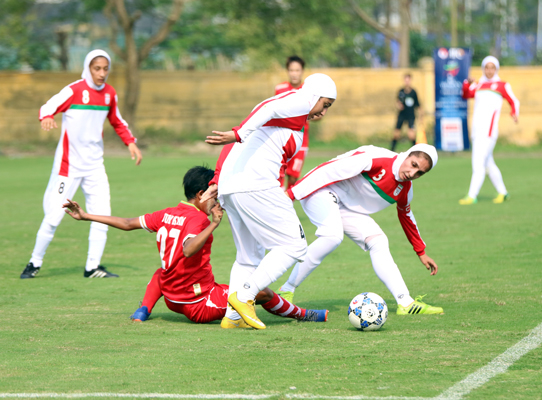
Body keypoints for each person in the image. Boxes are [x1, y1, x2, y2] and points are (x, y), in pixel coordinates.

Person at [63, 166, 328, 327]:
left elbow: (128, 222)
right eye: (215, 193)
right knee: (261, 293)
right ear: (201, 195)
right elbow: (188, 249)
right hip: (198, 302)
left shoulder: (168, 212)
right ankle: (303, 314)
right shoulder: (199, 219)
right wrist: (212, 224)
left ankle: (143, 310)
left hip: (171, 298)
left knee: (161, 272)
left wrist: (86, 216)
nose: (218, 199)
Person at [203, 73, 337, 329]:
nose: (323, 112)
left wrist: (217, 181)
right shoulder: (298, 101)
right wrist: (238, 132)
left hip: (234, 188)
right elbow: (269, 107)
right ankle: (245, 296)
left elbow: (239, 144)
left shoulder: (289, 119)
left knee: (247, 257)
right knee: (295, 246)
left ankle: (233, 318)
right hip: (257, 187)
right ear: (315, 94)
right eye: (326, 104)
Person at [277, 144, 444, 315]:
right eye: (413, 165)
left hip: (346, 207)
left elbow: (407, 217)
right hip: (322, 190)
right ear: (407, 155)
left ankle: (406, 303)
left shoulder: (405, 190)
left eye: (419, 173)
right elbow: (328, 170)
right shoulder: (377, 158)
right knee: (332, 236)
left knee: (378, 241)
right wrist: (291, 194)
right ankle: (286, 290)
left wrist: (421, 251)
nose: (412, 174)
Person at [21, 49, 142, 280]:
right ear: (88, 68)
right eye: (97, 68)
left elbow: (117, 121)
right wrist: (46, 117)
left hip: (95, 166)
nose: (102, 73)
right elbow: (48, 106)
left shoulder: (109, 94)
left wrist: (131, 143)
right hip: (68, 166)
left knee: (102, 215)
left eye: (106, 68)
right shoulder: (74, 90)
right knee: (54, 215)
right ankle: (34, 263)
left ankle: (92, 267)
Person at [459, 55, 519, 205]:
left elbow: (514, 100)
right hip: (476, 131)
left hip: (489, 131)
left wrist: (514, 113)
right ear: (483, 68)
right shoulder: (478, 85)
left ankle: (472, 195)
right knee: (488, 164)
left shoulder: (502, 85)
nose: (490, 70)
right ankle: (503, 193)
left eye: (492, 68)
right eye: (487, 67)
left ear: (496, 69)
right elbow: (465, 94)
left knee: (478, 163)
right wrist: (467, 82)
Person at [274, 55, 320, 189]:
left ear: (302, 71)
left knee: (293, 177)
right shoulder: (280, 88)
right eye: (291, 70)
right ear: (288, 71)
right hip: (282, 140)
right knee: (279, 174)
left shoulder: (309, 91)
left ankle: (288, 202)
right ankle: (278, 204)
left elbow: (319, 115)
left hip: (301, 141)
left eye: (297, 70)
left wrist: (303, 116)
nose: (294, 74)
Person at [391, 74, 421, 151]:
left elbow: (418, 105)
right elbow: (397, 102)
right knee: (396, 134)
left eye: (408, 80)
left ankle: (415, 151)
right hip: (402, 115)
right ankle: (392, 150)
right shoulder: (401, 91)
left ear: (410, 81)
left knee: (411, 135)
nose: (407, 82)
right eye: (405, 80)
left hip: (411, 115)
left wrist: (421, 117)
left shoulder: (413, 92)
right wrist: (398, 105)